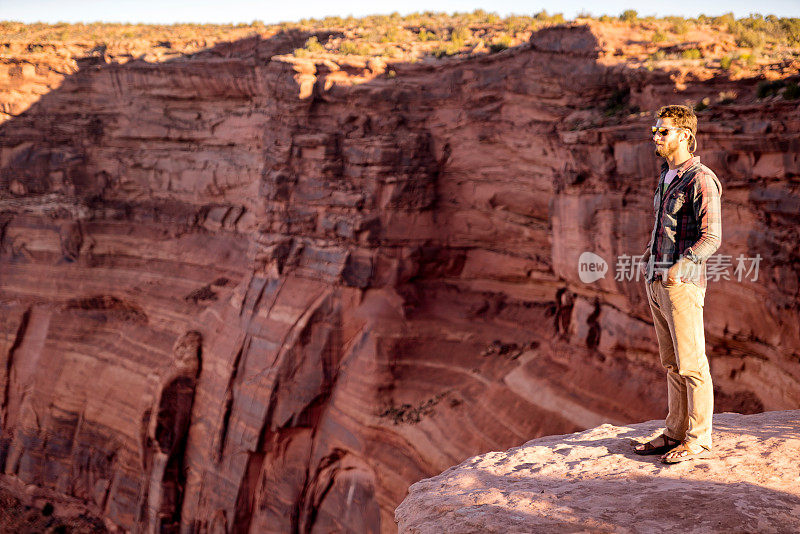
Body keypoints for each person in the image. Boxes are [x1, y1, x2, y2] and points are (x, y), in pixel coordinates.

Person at [633, 105, 722, 463]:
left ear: (684, 135)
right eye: (655, 130)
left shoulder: (700, 179)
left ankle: (698, 438)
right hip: (657, 281)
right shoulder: (666, 176)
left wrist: (680, 267)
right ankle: (674, 432)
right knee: (671, 363)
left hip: (681, 283)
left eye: (663, 131)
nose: (656, 136)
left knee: (692, 364)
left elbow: (712, 237)